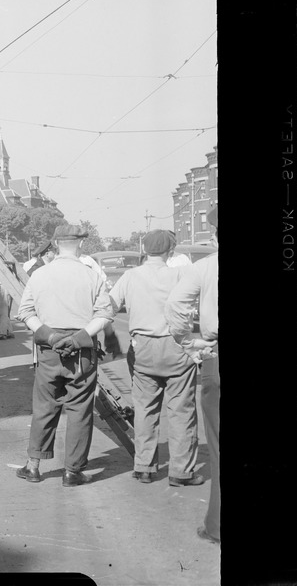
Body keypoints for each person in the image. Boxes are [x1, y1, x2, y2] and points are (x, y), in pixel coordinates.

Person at [15, 224, 114, 486]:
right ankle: (72, 471)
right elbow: (104, 314)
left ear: (56, 244)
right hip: (81, 351)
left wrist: (51, 337)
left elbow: (25, 313)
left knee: (45, 406)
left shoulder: (40, 275)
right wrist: (78, 339)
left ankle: (33, 466)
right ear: (81, 244)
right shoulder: (93, 276)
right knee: (80, 409)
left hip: (49, 349)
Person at [109, 229, 202, 487]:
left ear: (145, 250)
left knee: (145, 409)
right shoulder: (182, 274)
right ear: (170, 251)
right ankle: (182, 472)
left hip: (142, 349)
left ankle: (144, 468)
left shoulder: (130, 276)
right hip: (176, 346)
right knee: (181, 412)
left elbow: (108, 305)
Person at [165, 206, 219, 545]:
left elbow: (174, 307)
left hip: (216, 358)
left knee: (218, 447)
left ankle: (217, 526)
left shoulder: (206, 266)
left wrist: (190, 343)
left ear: (215, 234)